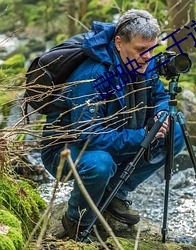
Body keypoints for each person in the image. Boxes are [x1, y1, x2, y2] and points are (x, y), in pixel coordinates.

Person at [41, 9, 185, 241]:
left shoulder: (143, 61)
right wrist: (142, 135)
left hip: (117, 136)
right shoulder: (92, 75)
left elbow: (159, 96)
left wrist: (161, 114)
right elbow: (87, 135)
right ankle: (76, 221)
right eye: (140, 49)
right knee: (100, 164)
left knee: (175, 131)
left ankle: (115, 193)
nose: (147, 57)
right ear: (119, 43)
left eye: (152, 49)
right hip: (67, 150)